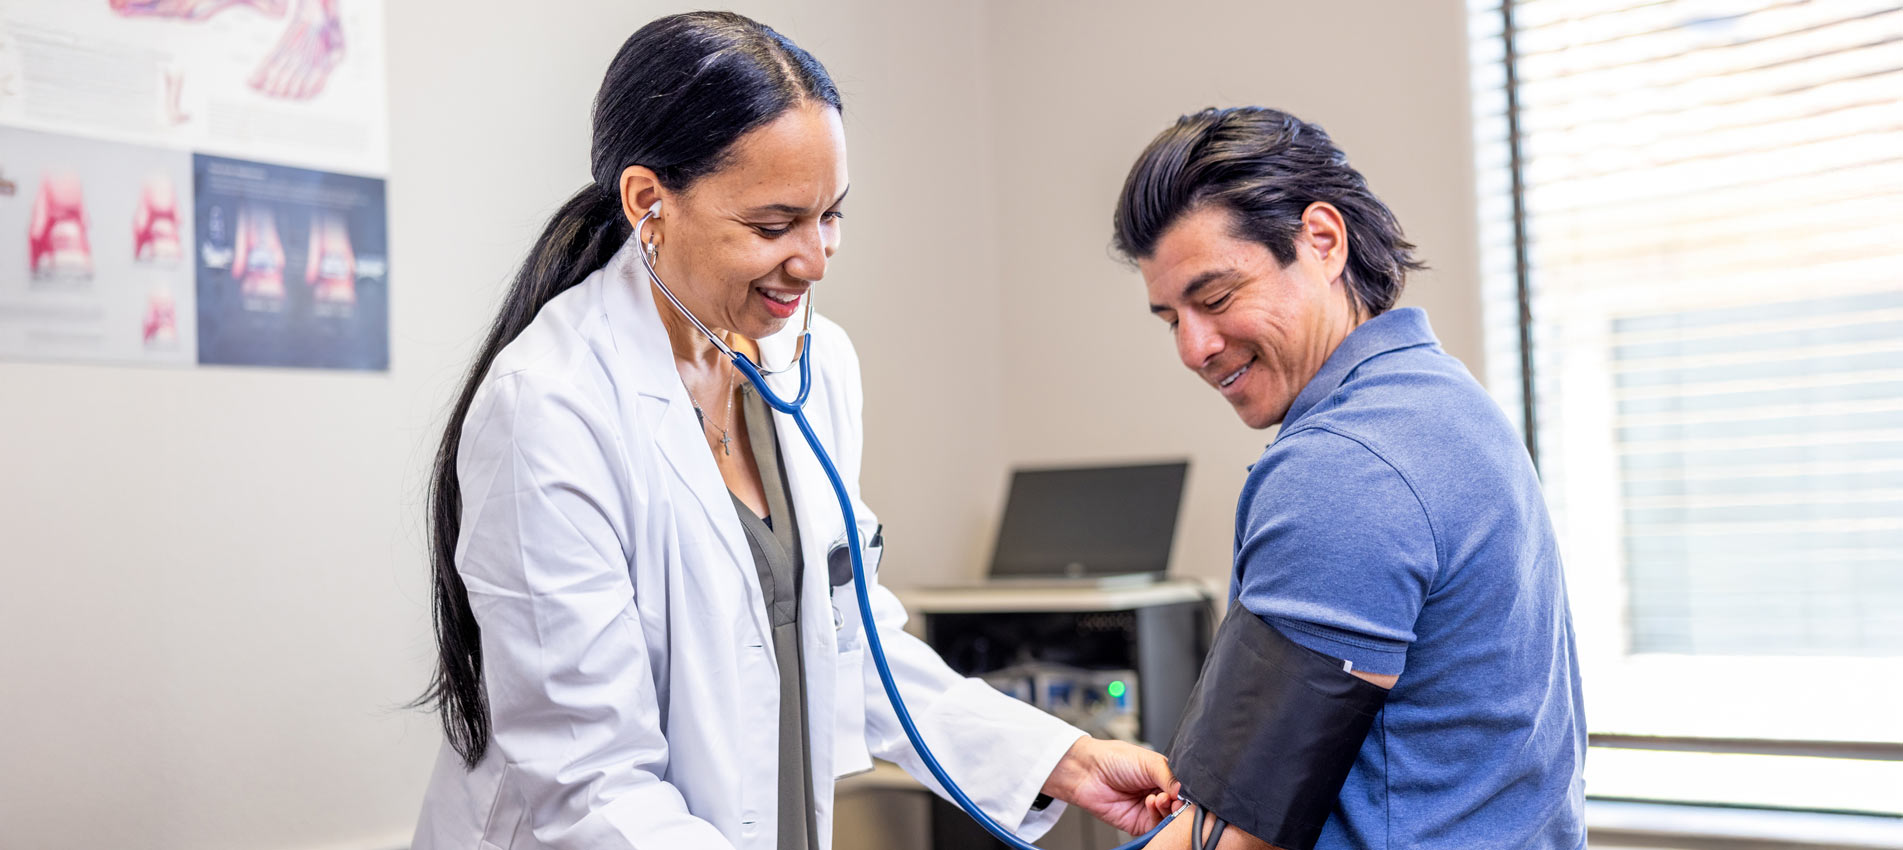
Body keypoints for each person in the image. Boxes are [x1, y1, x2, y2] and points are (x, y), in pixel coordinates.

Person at [412, 12, 1175, 850]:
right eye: (774, 226)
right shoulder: (548, 410)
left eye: (830, 216)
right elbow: (592, 788)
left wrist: (1058, 758)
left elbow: (853, 648)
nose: (814, 260)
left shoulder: (813, 363)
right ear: (646, 202)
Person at [1111, 107, 1585, 850]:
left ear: (1321, 241)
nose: (1194, 347)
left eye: (1215, 298)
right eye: (1170, 318)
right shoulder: (1444, 401)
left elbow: (1232, 840)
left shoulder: (1342, 467)